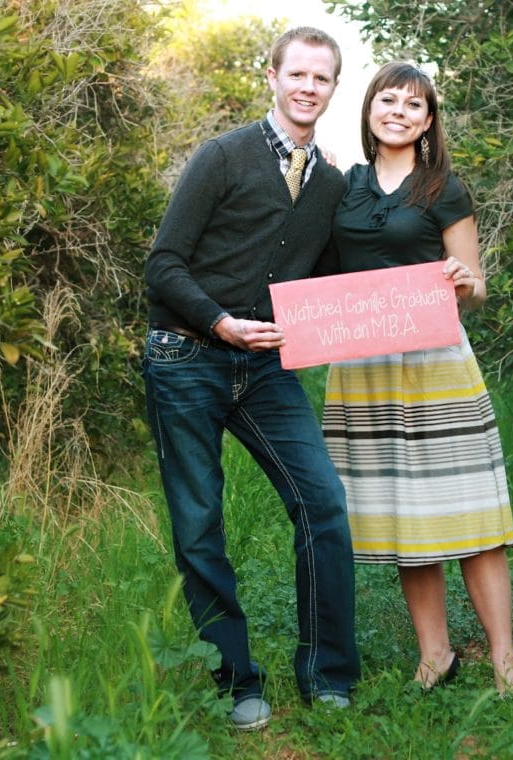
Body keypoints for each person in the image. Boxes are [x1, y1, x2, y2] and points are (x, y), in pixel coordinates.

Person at [141, 27, 360, 731]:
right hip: (185, 356)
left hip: (263, 368)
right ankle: (236, 682)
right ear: (271, 77)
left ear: (332, 89)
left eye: (321, 79)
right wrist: (220, 323)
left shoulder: (329, 183)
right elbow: (163, 265)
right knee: (200, 525)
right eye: (296, 74)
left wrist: (431, 278)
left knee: (322, 502)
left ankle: (327, 675)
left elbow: (327, 280)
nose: (307, 87)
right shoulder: (222, 156)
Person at [320, 61, 513, 696]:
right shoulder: (340, 187)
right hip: (363, 369)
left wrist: (468, 282)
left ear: (428, 120)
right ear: (370, 110)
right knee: (407, 517)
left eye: (414, 105)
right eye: (388, 100)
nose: (399, 112)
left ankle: (504, 661)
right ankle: (435, 655)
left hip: (436, 363)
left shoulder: (445, 188)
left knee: (472, 513)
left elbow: (478, 285)